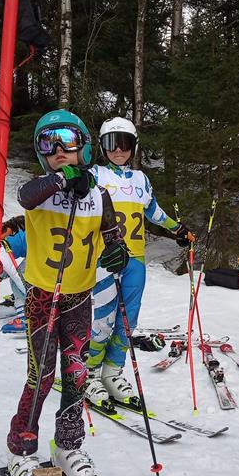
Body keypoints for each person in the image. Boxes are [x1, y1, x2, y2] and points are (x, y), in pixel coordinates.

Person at [5, 109, 128, 476]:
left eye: (68, 142)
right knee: (40, 377)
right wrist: (61, 179)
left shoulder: (99, 197)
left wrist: (117, 253)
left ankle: (68, 445)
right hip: (43, 298)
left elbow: (114, 240)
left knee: (75, 376)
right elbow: (26, 196)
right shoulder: (41, 192)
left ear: (84, 147)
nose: (59, 149)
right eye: (49, 143)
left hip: (79, 298)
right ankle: (21, 448)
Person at [84, 117, 194, 408]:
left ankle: (112, 372)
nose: (118, 150)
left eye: (125, 143)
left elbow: (154, 212)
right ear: (103, 146)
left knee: (127, 320)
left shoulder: (141, 179)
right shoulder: (93, 175)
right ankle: (90, 373)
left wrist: (177, 229)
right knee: (104, 319)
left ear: (133, 146)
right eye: (111, 143)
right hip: (104, 259)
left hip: (135, 260)